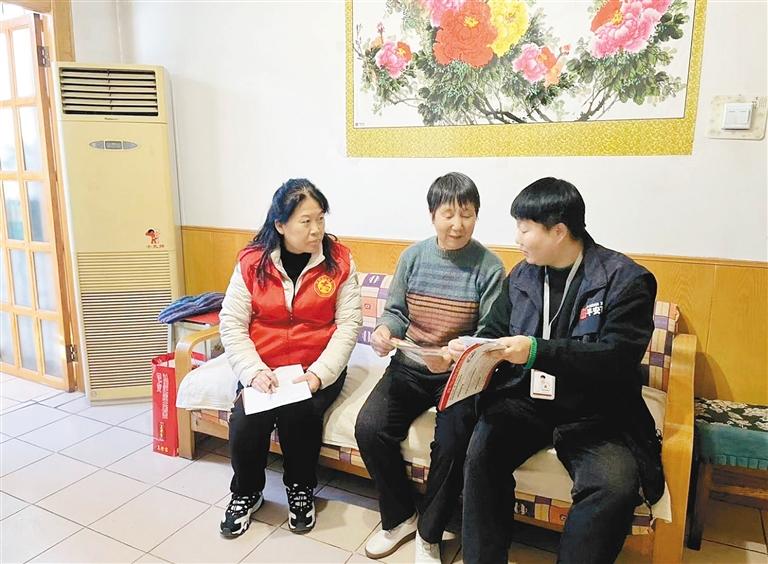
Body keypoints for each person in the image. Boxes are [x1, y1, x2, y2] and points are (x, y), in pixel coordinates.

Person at [450, 177, 664, 563]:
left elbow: (616, 358)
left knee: (613, 486)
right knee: (482, 454)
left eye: (524, 228)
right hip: (527, 399)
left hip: (596, 411)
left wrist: (536, 350)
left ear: (558, 231)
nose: (516, 238)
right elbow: (495, 331)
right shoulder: (522, 275)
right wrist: (467, 349)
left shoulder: (626, 281)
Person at [355, 172, 505, 563]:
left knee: (454, 444)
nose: (458, 224)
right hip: (410, 364)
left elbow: (492, 333)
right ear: (432, 215)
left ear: (477, 216)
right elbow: (396, 312)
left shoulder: (490, 267)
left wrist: (457, 354)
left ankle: (429, 533)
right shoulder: (413, 257)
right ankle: (400, 517)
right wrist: (385, 331)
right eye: (448, 214)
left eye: (467, 215)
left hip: (459, 373)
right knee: (369, 428)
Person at [218, 178, 362, 537]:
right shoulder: (252, 262)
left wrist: (318, 374)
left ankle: (300, 488)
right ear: (281, 225)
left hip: (316, 366)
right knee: (246, 418)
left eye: (321, 219)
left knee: (300, 413)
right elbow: (231, 323)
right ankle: (246, 492)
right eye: (306, 221)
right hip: (264, 366)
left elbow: (349, 325)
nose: (316, 230)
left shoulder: (339, 261)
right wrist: (253, 372)